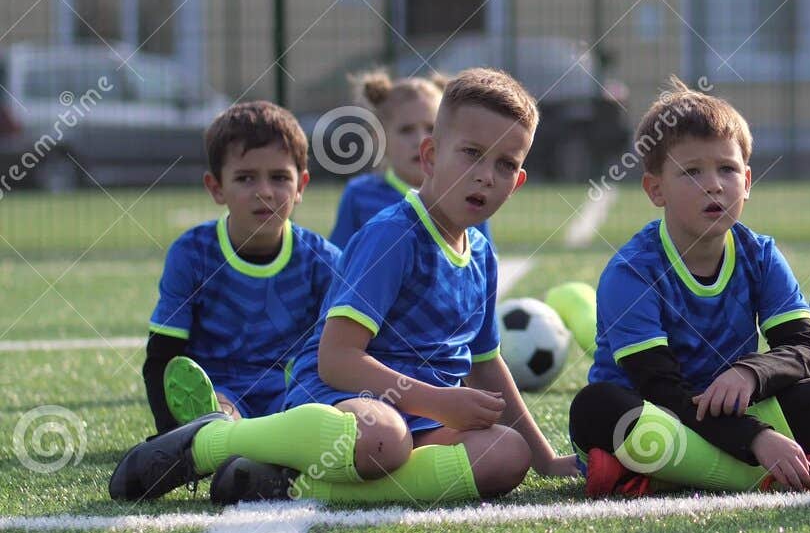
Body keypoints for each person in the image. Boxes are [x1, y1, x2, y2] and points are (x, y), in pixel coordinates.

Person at [110, 68, 576, 505]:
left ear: (517, 183)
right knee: (384, 439)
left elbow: (485, 362)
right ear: (431, 156)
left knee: (507, 455)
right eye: (472, 153)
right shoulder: (393, 235)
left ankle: (286, 482)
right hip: (343, 401)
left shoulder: (482, 254)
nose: (485, 175)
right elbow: (336, 360)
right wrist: (437, 400)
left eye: (505, 164)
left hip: (419, 417)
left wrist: (546, 459)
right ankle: (214, 441)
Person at [569, 78, 810, 498]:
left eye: (726, 169)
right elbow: (662, 391)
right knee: (596, 408)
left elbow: (809, 351)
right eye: (691, 172)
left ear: (747, 181)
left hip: (725, 413)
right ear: (655, 189)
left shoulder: (761, 256)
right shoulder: (631, 272)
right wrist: (756, 438)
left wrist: (750, 374)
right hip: (656, 416)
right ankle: (769, 477)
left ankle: (657, 477)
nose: (713, 184)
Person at [143, 101, 341, 433]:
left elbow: (348, 347)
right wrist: (170, 437)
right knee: (220, 414)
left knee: (323, 417)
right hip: (221, 391)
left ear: (301, 185)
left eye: (279, 177)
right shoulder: (192, 254)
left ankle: (251, 442)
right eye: (245, 178)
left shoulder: (324, 260)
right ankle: (219, 435)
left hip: (294, 394)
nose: (264, 192)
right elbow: (162, 355)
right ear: (216, 188)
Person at [329, 70, 491, 248]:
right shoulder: (359, 195)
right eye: (406, 130)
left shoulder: (468, 194)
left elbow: (483, 265)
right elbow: (339, 266)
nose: (421, 140)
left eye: (431, 128)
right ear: (379, 138)